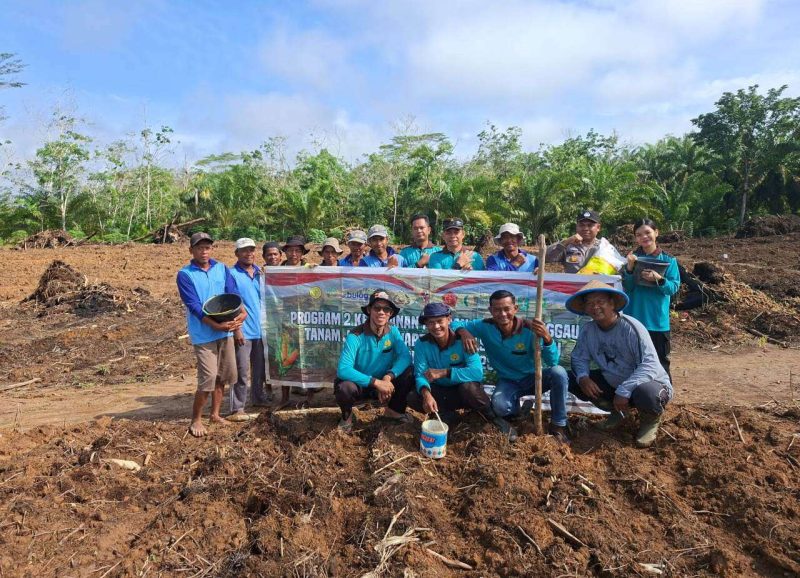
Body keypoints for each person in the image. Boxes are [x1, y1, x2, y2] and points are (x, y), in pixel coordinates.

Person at [565, 279, 673, 448]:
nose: (595, 307)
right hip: (615, 384)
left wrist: (624, 390)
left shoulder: (631, 327)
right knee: (569, 378)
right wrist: (583, 377)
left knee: (647, 393)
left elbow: (650, 364)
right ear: (585, 308)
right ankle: (618, 413)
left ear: (612, 303)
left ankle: (650, 420)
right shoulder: (588, 330)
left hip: (649, 384)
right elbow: (579, 358)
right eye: (590, 304)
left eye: (600, 302)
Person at [453, 290, 570, 443]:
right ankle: (518, 413)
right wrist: (463, 332)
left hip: (534, 378)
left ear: (515, 309)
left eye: (507, 309)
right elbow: (454, 324)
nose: (502, 314)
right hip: (508, 381)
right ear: (490, 310)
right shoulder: (485, 326)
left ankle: (558, 425)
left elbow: (552, 361)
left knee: (559, 372)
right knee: (500, 407)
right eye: (497, 310)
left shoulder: (530, 329)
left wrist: (547, 338)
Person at [176, 232, 246, 437]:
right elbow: (194, 306)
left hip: (225, 332)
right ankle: (196, 419)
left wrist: (240, 317)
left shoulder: (221, 268)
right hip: (204, 334)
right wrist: (215, 325)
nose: (204, 252)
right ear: (191, 250)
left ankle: (215, 414)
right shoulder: (185, 275)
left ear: (212, 249)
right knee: (207, 378)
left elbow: (233, 295)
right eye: (199, 248)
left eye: (207, 247)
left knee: (223, 375)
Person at [334, 290, 414, 432]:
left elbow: (405, 357)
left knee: (409, 372)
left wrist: (388, 377)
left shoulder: (393, 332)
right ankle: (347, 417)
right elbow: (343, 369)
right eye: (377, 308)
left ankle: (394, 411)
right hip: (360, 384)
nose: (381, 312)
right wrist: (376, 383)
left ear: (390, 313)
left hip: (384, 384)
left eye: (386, 309)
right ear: (369, 310)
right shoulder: (355, 335)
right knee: (344, 388)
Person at [407, 302, 489, 427]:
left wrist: (445, 372)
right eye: (431, 322)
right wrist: (426, 394)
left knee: (469, 389)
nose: (436, 326)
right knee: (413, 397)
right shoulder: (422, 344)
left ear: (449, 319)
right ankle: (447, 415)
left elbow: (477, 373)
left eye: (440, 321)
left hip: (461, 390)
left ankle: (491, 417)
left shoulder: (464, 340)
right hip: (440, 391)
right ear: (426, 325)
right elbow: (420, 374)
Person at [622, 218, 680, 378]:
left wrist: (659, 279)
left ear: (656, 233)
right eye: (639, 234)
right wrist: (629, 268)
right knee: (632, 363)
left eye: (647, 232)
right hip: (633, 319)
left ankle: (663, 392)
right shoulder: (631, 259)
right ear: (635, 238)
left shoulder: (668, 260)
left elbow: (673, 288)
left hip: (657, 321)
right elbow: (627, 287)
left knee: (660, 364)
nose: (644, 237)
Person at [228, 238, 268, 419]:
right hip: (244, 330)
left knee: (260, 369)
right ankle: (237, 407)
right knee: (241, 370)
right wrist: (236, 329)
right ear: (237, 253)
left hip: (262, 330)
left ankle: (258, 398)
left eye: (251, 250)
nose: (248, 253)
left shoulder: (261, 273)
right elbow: (231, 303)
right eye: (244, 250)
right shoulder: (231, 274)